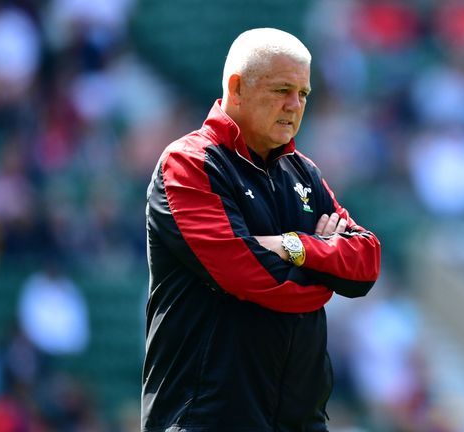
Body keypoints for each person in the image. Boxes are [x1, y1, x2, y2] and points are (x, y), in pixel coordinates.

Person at [141, 28, 382, 431]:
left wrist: (295, 247)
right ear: (237, 88)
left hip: (300, 420)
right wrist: (325, 270)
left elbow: (366, 261)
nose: (294, 105)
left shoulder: (304, 171)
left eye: (303, 93)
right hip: (207, 418)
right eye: (282, 89)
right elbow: (244, 274)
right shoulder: (189, 164)